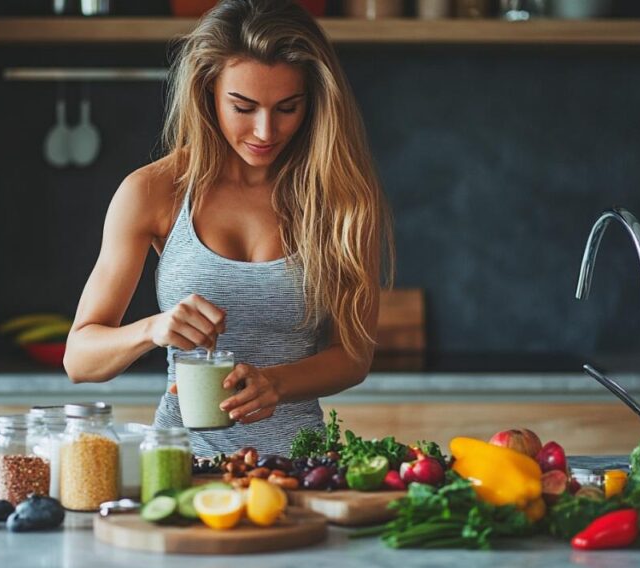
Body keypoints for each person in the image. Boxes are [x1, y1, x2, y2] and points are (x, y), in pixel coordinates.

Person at [63, 0, 394, 456]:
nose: (265, 130)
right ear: (208, 93)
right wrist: (153, 330)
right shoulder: (153, 192)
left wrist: (275, 382)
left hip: (302, 468)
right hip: (180, 464)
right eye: (243, 107)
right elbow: (79, 359)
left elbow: (354, 358)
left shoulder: (341, 199)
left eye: (287, 108)